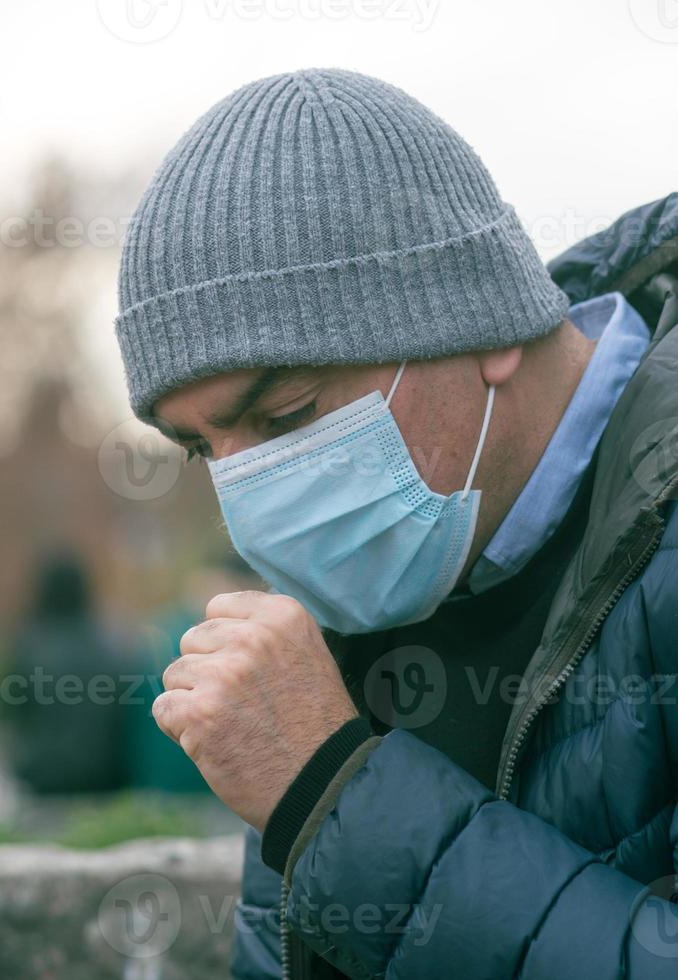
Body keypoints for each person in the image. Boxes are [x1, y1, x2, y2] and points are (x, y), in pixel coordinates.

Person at [112, 68, 678, 979]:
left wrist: (343, 804)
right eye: (200, 449)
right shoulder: (355, 597)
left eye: (288, 416)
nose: (252, 492)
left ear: (486, 327)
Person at [4, 550, 126, 796]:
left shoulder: (27, 646)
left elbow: (11, 714)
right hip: (104, 779)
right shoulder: (110, 647)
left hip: (42, 779)